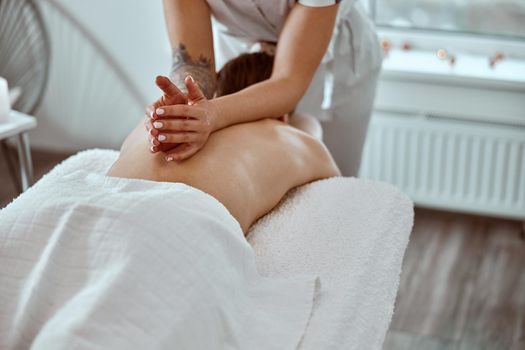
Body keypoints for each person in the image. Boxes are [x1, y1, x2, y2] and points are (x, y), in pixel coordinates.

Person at [108, 52, 340, 233]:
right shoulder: (283, 133)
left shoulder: (153, 120)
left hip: (99, 199)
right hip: (183, 226)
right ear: (283, 116)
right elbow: (333, 176)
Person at [145, 0, 382, 176]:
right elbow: (193, 63)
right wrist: (183, 102)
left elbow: (288, 80)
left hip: (332, 59)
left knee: (330, 166)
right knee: (242, 162)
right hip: (243, 53)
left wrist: (214, 113)